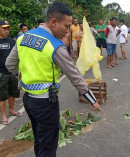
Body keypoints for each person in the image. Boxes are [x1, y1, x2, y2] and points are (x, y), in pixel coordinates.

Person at [6, 2, 102, 156]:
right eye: (66, 26)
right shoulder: (54, 46)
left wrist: (28, 71)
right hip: (46, 104)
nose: (68, 30)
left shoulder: (23, 37)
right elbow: (75, 77)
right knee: (48, 146)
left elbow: (9, 65)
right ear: (53, 22)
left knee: (39, 139)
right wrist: (92, 100)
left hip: (29, 101)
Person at [0, 19, 21, 125]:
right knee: (2, 95)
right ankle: (3, 115)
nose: (6, 31)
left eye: (8, 28)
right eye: (4, 28)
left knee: (12, 93)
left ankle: (11, 110)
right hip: (1, 73)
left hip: (12, 72)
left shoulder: (12, 41)